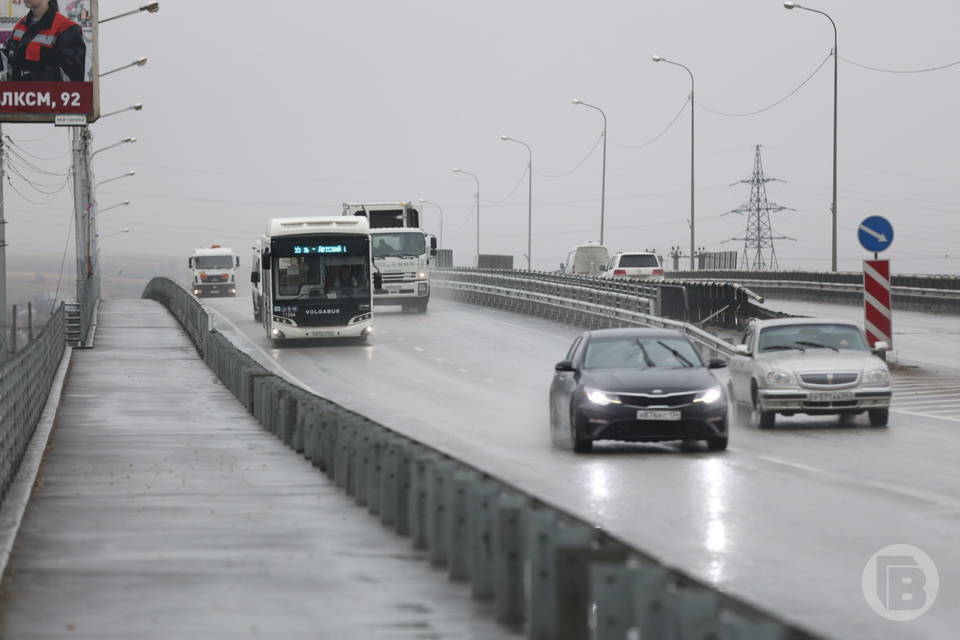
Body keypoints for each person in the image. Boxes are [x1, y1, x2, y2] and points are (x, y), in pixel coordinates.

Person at [2, 0, 86, 82]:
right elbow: (7, 58)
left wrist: (31, 76)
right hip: (17, 93)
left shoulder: (67, 29)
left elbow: (72, 78)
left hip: (49, 94)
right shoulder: (20, 25)